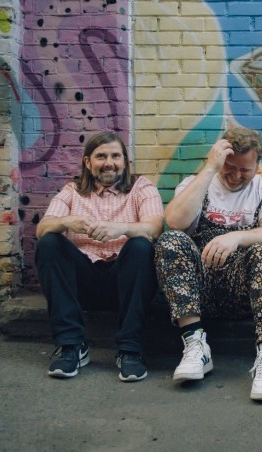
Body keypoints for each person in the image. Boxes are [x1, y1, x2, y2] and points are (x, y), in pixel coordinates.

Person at [155, 128, 262, 401]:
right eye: (230, 166)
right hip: (197, 292)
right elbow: (174, 222)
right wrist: (210, 168)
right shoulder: (195, 185)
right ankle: (195, 344)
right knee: (170, 240)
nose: (236, 175)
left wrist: (236, 237)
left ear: (257, 165)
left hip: (243, 293)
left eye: (245, 170)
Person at [36, 132, 163, 382]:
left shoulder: (142, 188)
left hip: (125, 283)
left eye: (115, 156)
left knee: (141, 246)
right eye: (101, 156)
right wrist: (66, 222)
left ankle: (130, 349)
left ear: (124, 161)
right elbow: (42, 229)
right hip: (82, 282)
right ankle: (71, 346)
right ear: (87, 162)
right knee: (49, 242)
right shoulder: (72, 191)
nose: (109, 163)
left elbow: (155, 228)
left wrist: (122, 228)